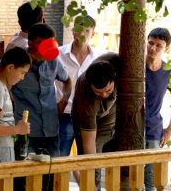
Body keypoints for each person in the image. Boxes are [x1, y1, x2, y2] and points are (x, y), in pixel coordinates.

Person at [11, 23, 72, 191]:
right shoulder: (17, 61)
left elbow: (68, 80)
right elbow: (2, 84)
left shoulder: (54, 61)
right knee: (22, 181)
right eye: (42, 42)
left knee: (51, 179)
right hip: (26, 133)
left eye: (51, 42)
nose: (48, 47)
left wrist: (63, 102)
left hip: (51, 131)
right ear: (30, 43)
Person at [0, 47, 31, 191]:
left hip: (1, 147)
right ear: (10, 67)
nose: (22, 78)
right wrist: (17, 129)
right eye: (22, 73)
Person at [71, 52, 121, 190]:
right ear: (90, 84)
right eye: (99, 92)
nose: (104, 95)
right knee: (91, 167)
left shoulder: (119, 64)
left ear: (114, 78)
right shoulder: (86, 98)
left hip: (113, 120)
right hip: (91, 124)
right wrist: (90, 175)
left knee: (119, 161)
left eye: (108, 90)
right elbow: (89, 142)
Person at [55, 15, 102, 157]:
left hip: (88, 117)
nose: (82, 34)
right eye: (78, 29)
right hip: (63, 115)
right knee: (59, 160)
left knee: (88, 160)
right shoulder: (58, 55)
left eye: (87, 31)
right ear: (73, 31)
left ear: (93, 34)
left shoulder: (99, 58)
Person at [144, 28, 171, 191]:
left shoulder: (168, 71)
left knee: (151, 180)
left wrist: (170, 128)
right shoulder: (135, 64)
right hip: (130, 128)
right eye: (150, 43)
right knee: (130, 175)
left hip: (154, 129)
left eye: (158, 45)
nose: (153, 48)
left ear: (166, 49)